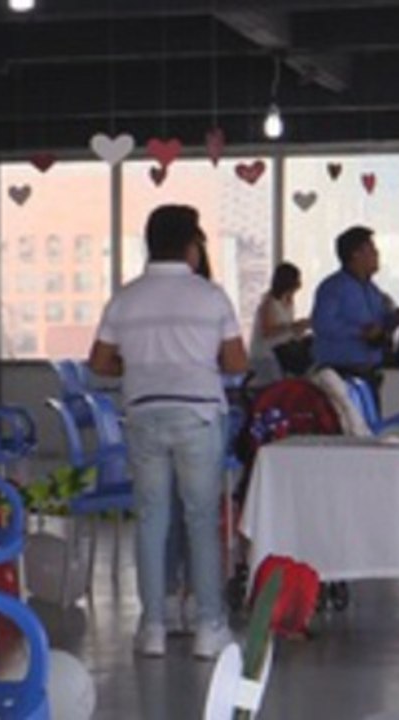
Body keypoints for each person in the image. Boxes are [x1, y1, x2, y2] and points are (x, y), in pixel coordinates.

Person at [89, 204, 248, 660]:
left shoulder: (125, 297)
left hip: (142, 413)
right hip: (198, 415)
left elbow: (100, 363)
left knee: (151, 521)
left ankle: (153, 627)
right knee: (201, 520)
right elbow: (236, 362)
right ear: (190, 243)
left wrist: (140, 364)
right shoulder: (210, 296)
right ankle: (208, 626)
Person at [310, 226, 399, 394]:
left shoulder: (372, 290)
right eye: (371, 250)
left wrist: (393, 319)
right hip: (342, 371)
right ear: (356, 254)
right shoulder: (333, 287)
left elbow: (379, 323)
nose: (377, 255)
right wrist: (360, 332)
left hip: (369, 370)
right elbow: (322, 324)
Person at [248, 262, 311, 384]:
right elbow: (267, 331)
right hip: (269, 353)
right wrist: (291, 327)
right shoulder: (269, 302)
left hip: (284, 347)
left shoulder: (288, 301)